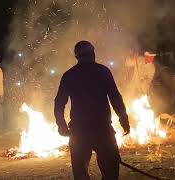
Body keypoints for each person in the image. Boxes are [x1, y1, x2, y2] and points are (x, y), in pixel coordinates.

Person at [54, 41, 130, 180]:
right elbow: (115, 98)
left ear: (77, 57)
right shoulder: (103, 71)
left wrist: (62, 125)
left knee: (80, 173)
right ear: (92, 53)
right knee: (111, 171)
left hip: (79, 132)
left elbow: (59, 103)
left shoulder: (70, 75)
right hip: (102, 130)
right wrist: (124, 119)